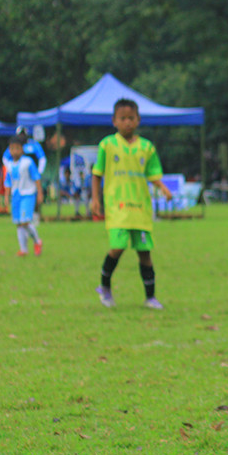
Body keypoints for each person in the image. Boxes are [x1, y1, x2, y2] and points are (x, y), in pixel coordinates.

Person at [90, 98, 173, 310]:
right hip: (117, 207)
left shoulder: (147, 147)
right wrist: (96, 199)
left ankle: (150, 297)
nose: (127, 122)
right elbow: (97, 174)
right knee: (117, 247)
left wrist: (162, 188)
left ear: (138, 120)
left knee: (144, 252)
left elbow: (152, 174)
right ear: (114, 121)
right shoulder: (107, 145)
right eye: (122, 118)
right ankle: (105, 287)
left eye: (131, 118)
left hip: (140, 208)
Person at [4, 135, 44, 255]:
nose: (14, 151)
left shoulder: (28, 162)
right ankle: (23, 249)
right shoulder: (9, 165)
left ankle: (37, 240)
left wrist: (40, 193)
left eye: (17, 148)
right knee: (18, 223)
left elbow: (36, 178)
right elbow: (8, 182)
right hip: (16, 196)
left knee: (25, 221)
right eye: (11, 149)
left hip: (28, 194)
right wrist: (6, 196)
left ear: (22, 149)